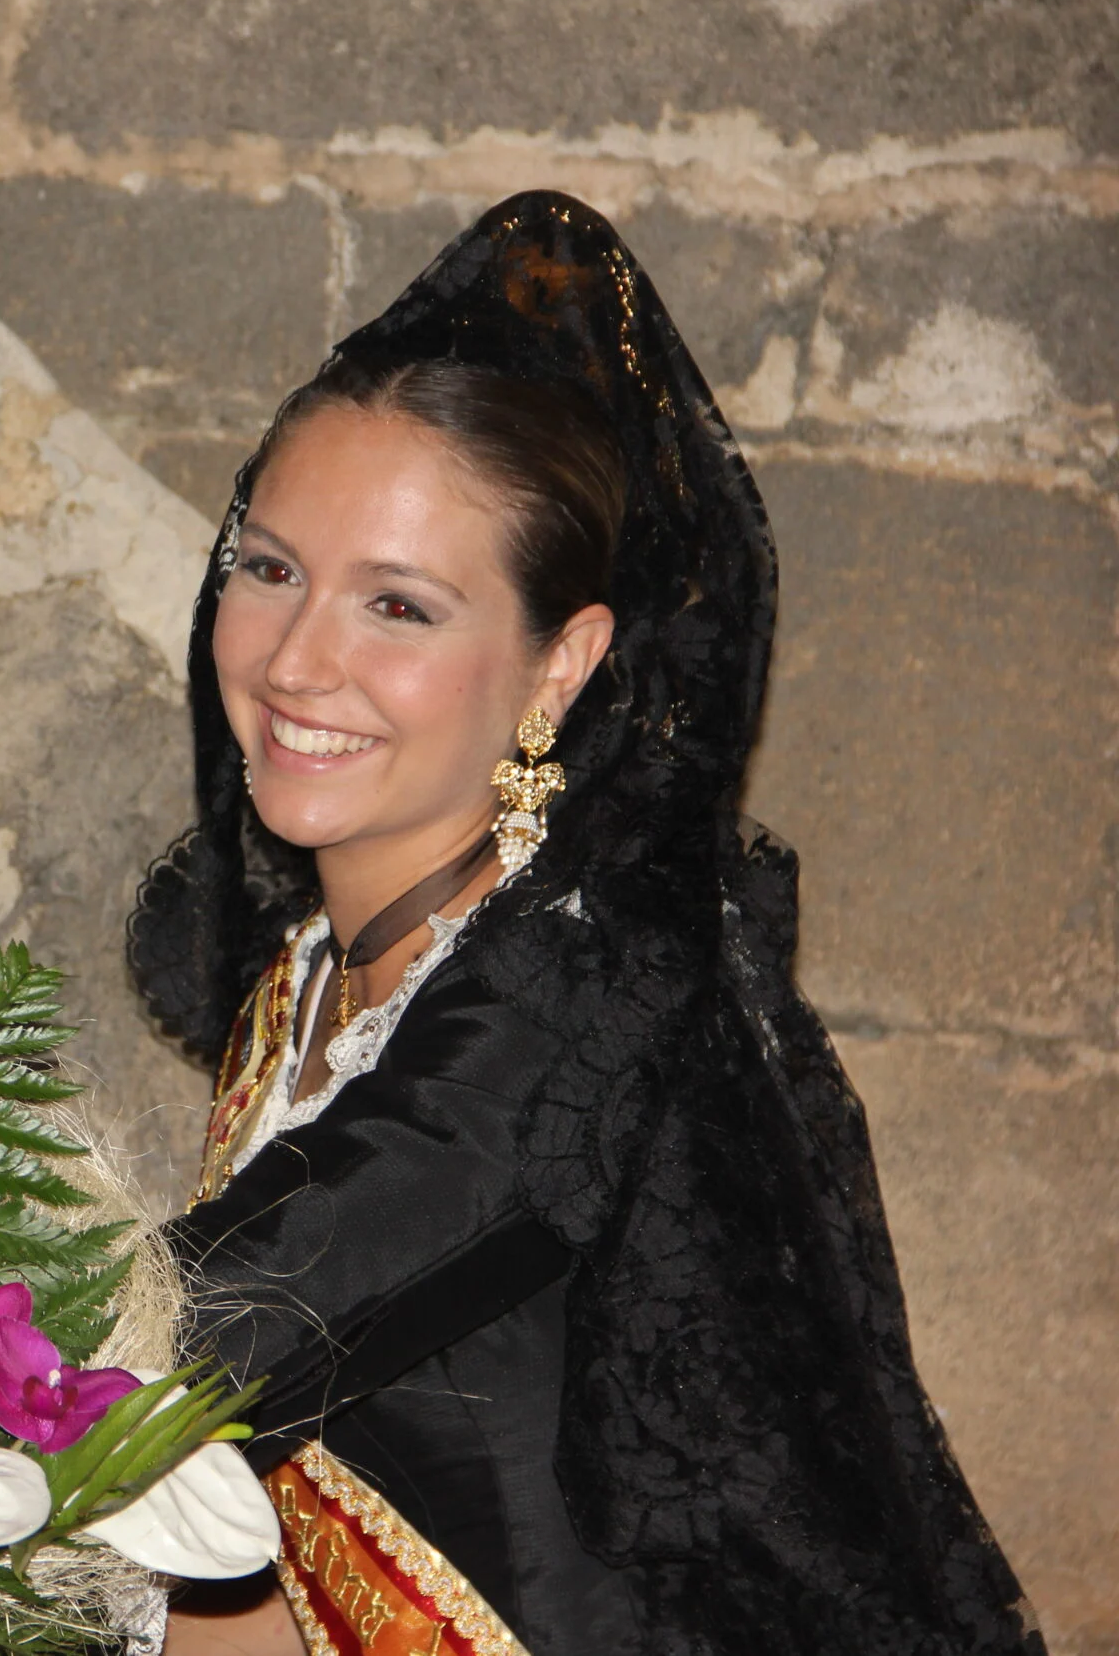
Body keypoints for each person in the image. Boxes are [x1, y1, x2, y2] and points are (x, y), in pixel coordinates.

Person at [134, 193, 1040, 1655]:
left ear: (561, 665)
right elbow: (249, 1524)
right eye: (269, 566)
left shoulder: (593, 981)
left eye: (400, 607)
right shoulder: (315, 976)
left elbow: (249, 1311)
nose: (299, 658)